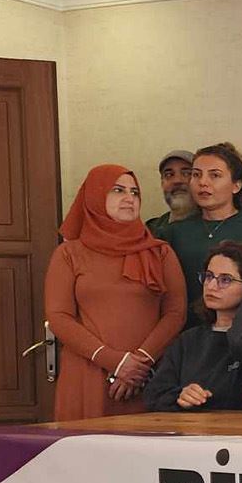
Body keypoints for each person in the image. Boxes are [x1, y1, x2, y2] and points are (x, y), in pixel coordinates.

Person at [45, 164, 187, 420]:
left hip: (147, 375)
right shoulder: (69, 254)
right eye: (118, 190)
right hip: (87, 371)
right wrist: (115, 362)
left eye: (135, 192)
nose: (129, 198)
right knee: (84, 443)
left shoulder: (160, 252)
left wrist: (140, 363)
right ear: (95, 196)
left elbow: (176, 313)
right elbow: (58, 316)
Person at [144, 241, 242, 411]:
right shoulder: (189, 339)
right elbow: (154, 394)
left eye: (225, 280)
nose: (211, 286)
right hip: (193, 427)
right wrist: (180, 396)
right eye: (209, 276)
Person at [160, 142, 242, 317]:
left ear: (236, 185)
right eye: (196, 175)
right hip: (186, 327)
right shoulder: (173, 232)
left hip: (241, 325)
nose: (203, 183)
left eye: (214, 175)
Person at [146, 149, 195, 239]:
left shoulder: (213, 230)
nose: (177, 180)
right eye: (169, 175)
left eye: (186, 173)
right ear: (162, 183)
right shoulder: (150, 231)